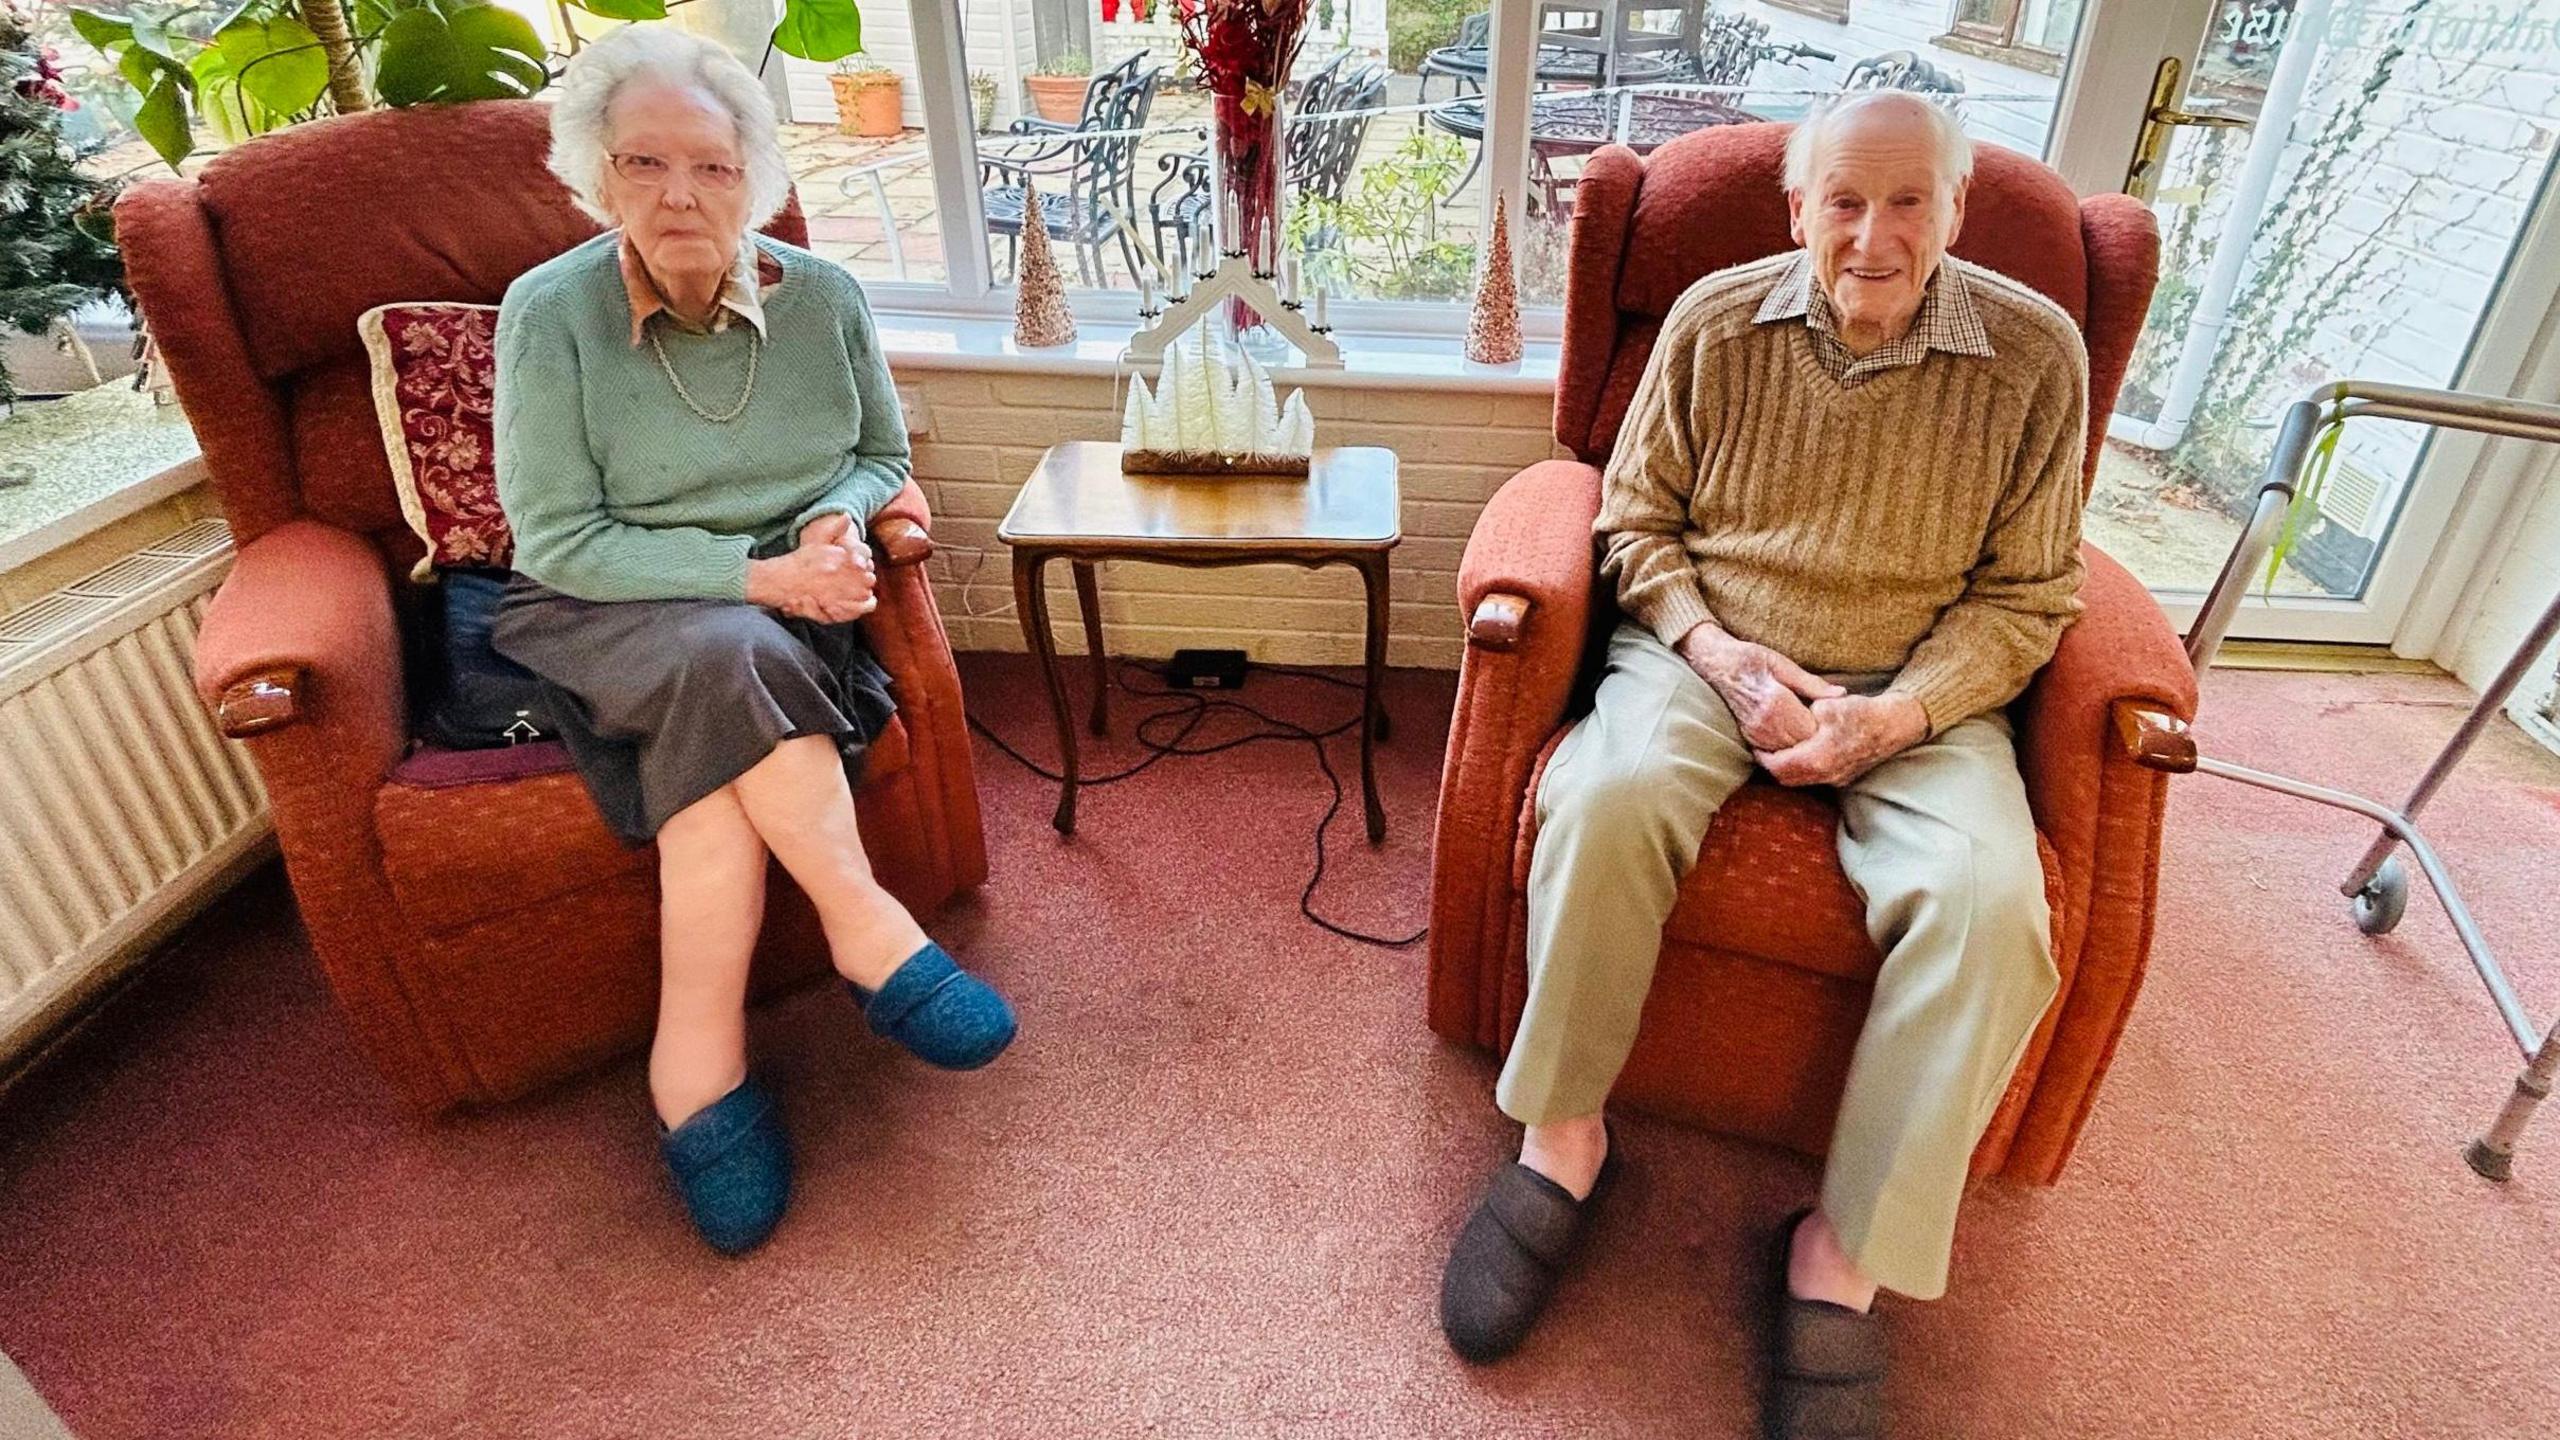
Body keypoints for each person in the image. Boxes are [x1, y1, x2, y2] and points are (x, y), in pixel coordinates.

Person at [1436, 91, 2089, 1440]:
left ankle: (1840, 1262)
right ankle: (1564, 1141)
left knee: (1992, 910)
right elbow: (1635, 524)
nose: (1874, 233)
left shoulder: (2037, 356)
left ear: (1956, 212)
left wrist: (1895, 717)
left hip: (1923, 689)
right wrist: (1723, 658)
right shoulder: (1717, 320)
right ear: (1798, 210)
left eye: (1910, 201)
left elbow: (2031, 599)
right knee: (1604, 798)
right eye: (1843, 200)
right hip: (1709, 654)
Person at [490, 25, 1016, 1256]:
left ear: (755, 174)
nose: (680, 194)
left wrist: (831, 527)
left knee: (718, 748)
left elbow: (880, 453)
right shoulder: (547, 315)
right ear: (598, 173)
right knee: (730, 652)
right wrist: (762, 576)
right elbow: (559, 537)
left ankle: (696, 1077)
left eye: (712, 168)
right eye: (644, 164)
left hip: (785, 612)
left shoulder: (823, 298)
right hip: (607, 606)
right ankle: (871, 932)